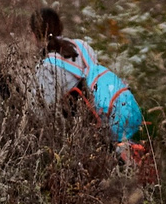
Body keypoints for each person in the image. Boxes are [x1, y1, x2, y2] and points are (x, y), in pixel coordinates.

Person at [29, 8, 146, 150]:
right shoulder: (83, 46)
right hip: (109, 119)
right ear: (60, 26)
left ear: (35, 34)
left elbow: (40, 113)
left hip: (82, 137)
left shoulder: (47, 67)